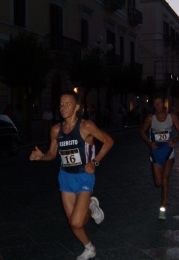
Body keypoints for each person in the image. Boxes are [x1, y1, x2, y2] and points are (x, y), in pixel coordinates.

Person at [29, 90, 114, 260]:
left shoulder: (86, 126)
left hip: (83, 176)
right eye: (61, 104)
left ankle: (91, 206)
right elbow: (53, 154)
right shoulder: (55, 130)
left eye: (68, 103)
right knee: (73, 223)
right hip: (65, 178)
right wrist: (42, 157)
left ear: (76, 107)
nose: (63, 107)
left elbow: (108, 141)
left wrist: (95, 162)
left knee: (77, 222)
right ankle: (89, 247)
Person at [139, 93, 179, 220]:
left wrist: (174, 140)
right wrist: (149, 143)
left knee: (165, 179)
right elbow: (142, 131)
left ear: (164, 104)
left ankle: (163, 207)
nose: (157, 106)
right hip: (156, 152)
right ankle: (163, 204)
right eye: (155, 104)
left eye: (159, 103)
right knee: (158, 182)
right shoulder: (150, 118)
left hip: (168, 151)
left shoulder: (172, 117)